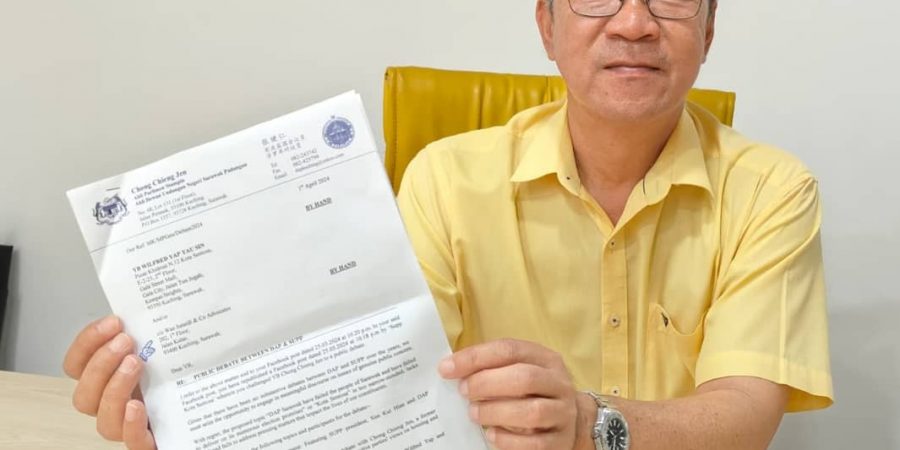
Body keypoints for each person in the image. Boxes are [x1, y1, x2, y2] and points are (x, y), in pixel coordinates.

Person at [63, 1, 833, 449]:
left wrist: (588, 423)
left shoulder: (772, 189)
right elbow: (381, 382)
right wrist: (196, 419)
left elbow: (747, 414)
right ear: (546, 25)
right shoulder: (444, 177)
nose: (634, 22)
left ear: (708, 30)